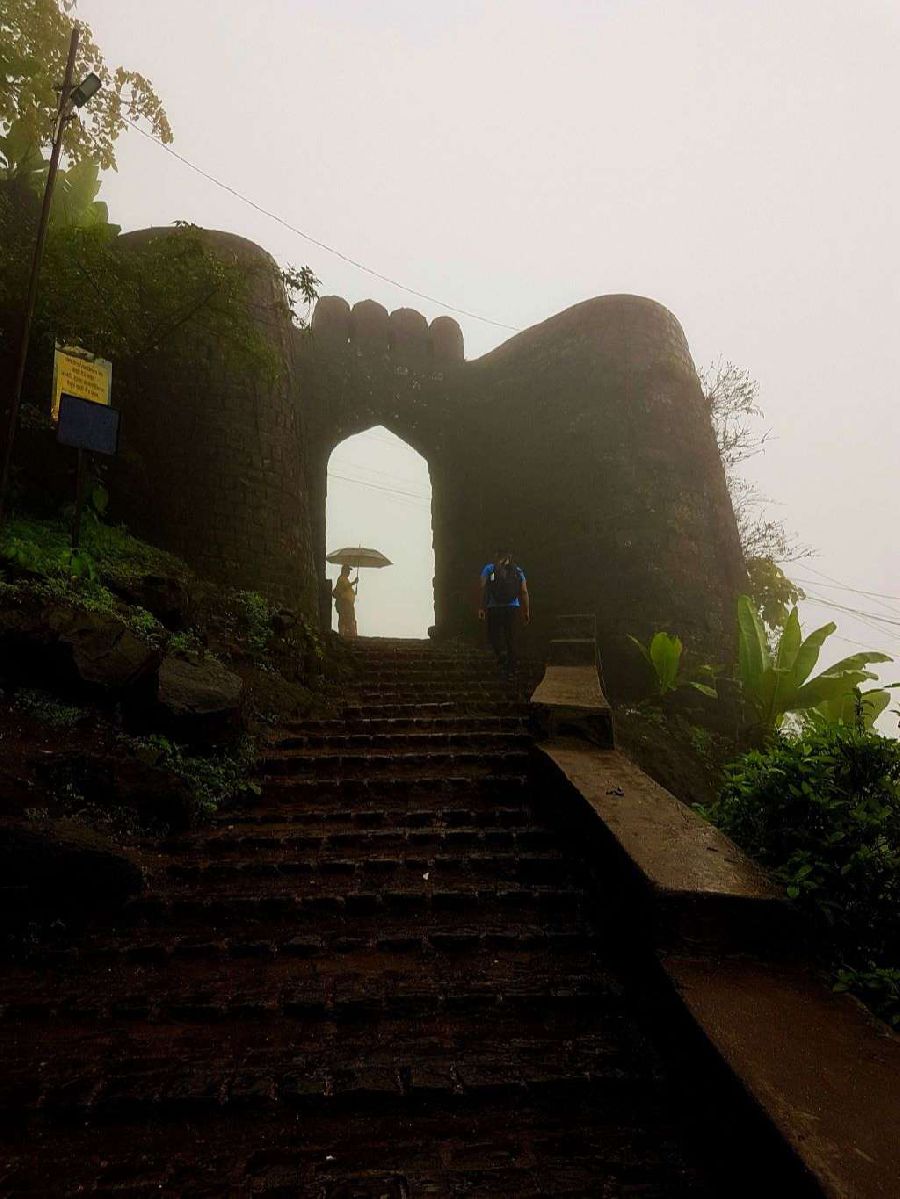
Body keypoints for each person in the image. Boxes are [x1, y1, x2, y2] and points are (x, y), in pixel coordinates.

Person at [478, 548, 530, 672]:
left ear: (496, 555)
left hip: (494, 608)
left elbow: (483, 588)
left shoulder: (489, 569)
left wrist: (481, 607)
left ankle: (499, 657)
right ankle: (512, 666)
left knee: (494, 635)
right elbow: (524, 591)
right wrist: (526, 611)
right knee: (510, 637)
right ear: (509, 556)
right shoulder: (518, 571)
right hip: (512, 607)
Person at [332, 564, 358, 639]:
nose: (348, 572)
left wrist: (354, 592)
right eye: (347, 571)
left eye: (349, 571)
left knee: (348, 619)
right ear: (344, 571)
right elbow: (344, 587)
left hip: (348, 603)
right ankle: (343, 635)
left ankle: (347, 634)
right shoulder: (341, 579)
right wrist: (354, 582)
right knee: (344, 618)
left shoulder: (345, 579)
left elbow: (347, 589)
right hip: (344, 603)